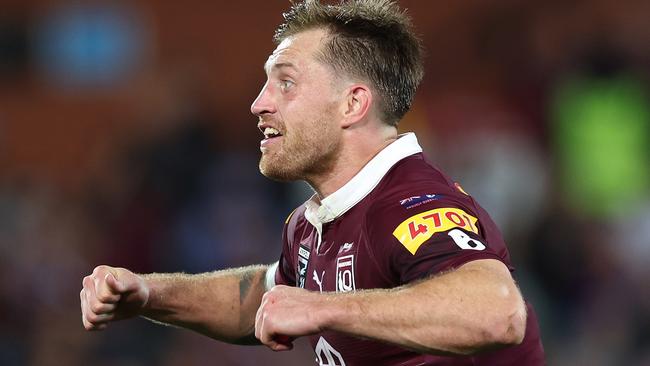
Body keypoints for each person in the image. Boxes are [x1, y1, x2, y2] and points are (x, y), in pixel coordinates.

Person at [80, 1, 545, 364]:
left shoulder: (411, 204)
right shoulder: (311, 221)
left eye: (286, 83)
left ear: (352, 105)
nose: (258, 103)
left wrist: (324, 308)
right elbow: (263, 300)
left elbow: (497, 313)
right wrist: (147, 294)